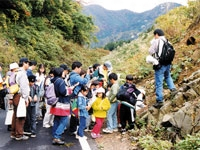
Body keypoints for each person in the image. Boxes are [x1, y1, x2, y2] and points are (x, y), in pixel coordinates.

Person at [148, 29, 177, 109]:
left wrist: (153, 42)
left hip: (160, 64)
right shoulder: (167, 41)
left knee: (159, 83)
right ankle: (173, 89)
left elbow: (150, 51)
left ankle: (160, 100)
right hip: (168, 63)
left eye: (154, 35)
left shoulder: (157, 41)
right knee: (168, 76)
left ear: (156, 34)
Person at [10, 57, 30, 140]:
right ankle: (19, 134)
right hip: (20, 96)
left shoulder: (15, 72)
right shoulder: (22, 73)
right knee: (21, 116)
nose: (28, 65)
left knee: (15, 115)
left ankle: (14, 133)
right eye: (28, 63)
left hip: (15, 95)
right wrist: (26, 98)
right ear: (24, 63)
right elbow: (24, 86)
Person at [69, 61, 90, 135]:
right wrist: (87, 74)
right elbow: (84, 81)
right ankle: (72, 129)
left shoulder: (72, 75)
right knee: (74, 113)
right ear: (76, 68)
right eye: (80, 68)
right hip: (74, 96)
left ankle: (73, 128)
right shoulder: (75, 76)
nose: (81, 69)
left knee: (74, 113)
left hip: (73, 95)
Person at [51, 67, 71, 145]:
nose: (64, 73)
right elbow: (63, 92)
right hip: (62, 102)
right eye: (63, 72)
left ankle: (54, 135)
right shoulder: (61, 81)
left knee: (57, 119)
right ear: (60, 73)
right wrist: (69, 90)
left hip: (56, 102)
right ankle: (57, 136)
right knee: (64, 120)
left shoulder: (53, 80)